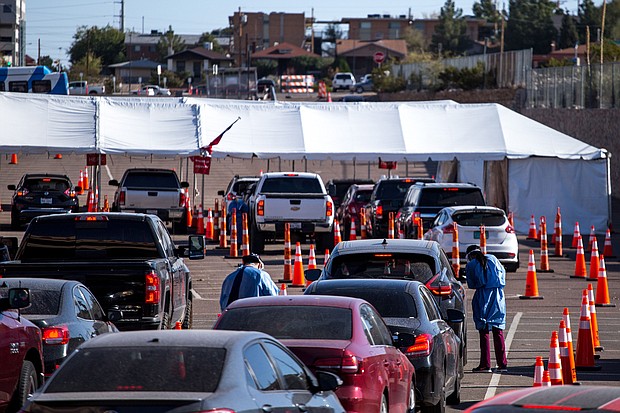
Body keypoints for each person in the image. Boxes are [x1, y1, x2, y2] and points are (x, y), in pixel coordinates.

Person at [465, 244, 508, 373]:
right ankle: (502, 364)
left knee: (484, 331)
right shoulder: (493, 259)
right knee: (498, 329)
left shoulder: (471, 265)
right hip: (498, 297)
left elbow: (472, 284)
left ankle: (485, 364)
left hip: (482, 297)